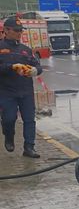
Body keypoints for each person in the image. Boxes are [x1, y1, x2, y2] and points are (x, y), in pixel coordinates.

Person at [0, 16, 43, 158]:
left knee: (29, 119)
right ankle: (9, 136)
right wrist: (11, 67)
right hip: (7, 91)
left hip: (25, 90)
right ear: (6, 30)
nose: (19, 33)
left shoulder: (25, 49)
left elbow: (37, 65)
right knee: (9, 118)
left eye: (21, 30)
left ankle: (29, 147)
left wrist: (34, 71)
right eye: (16, 30)